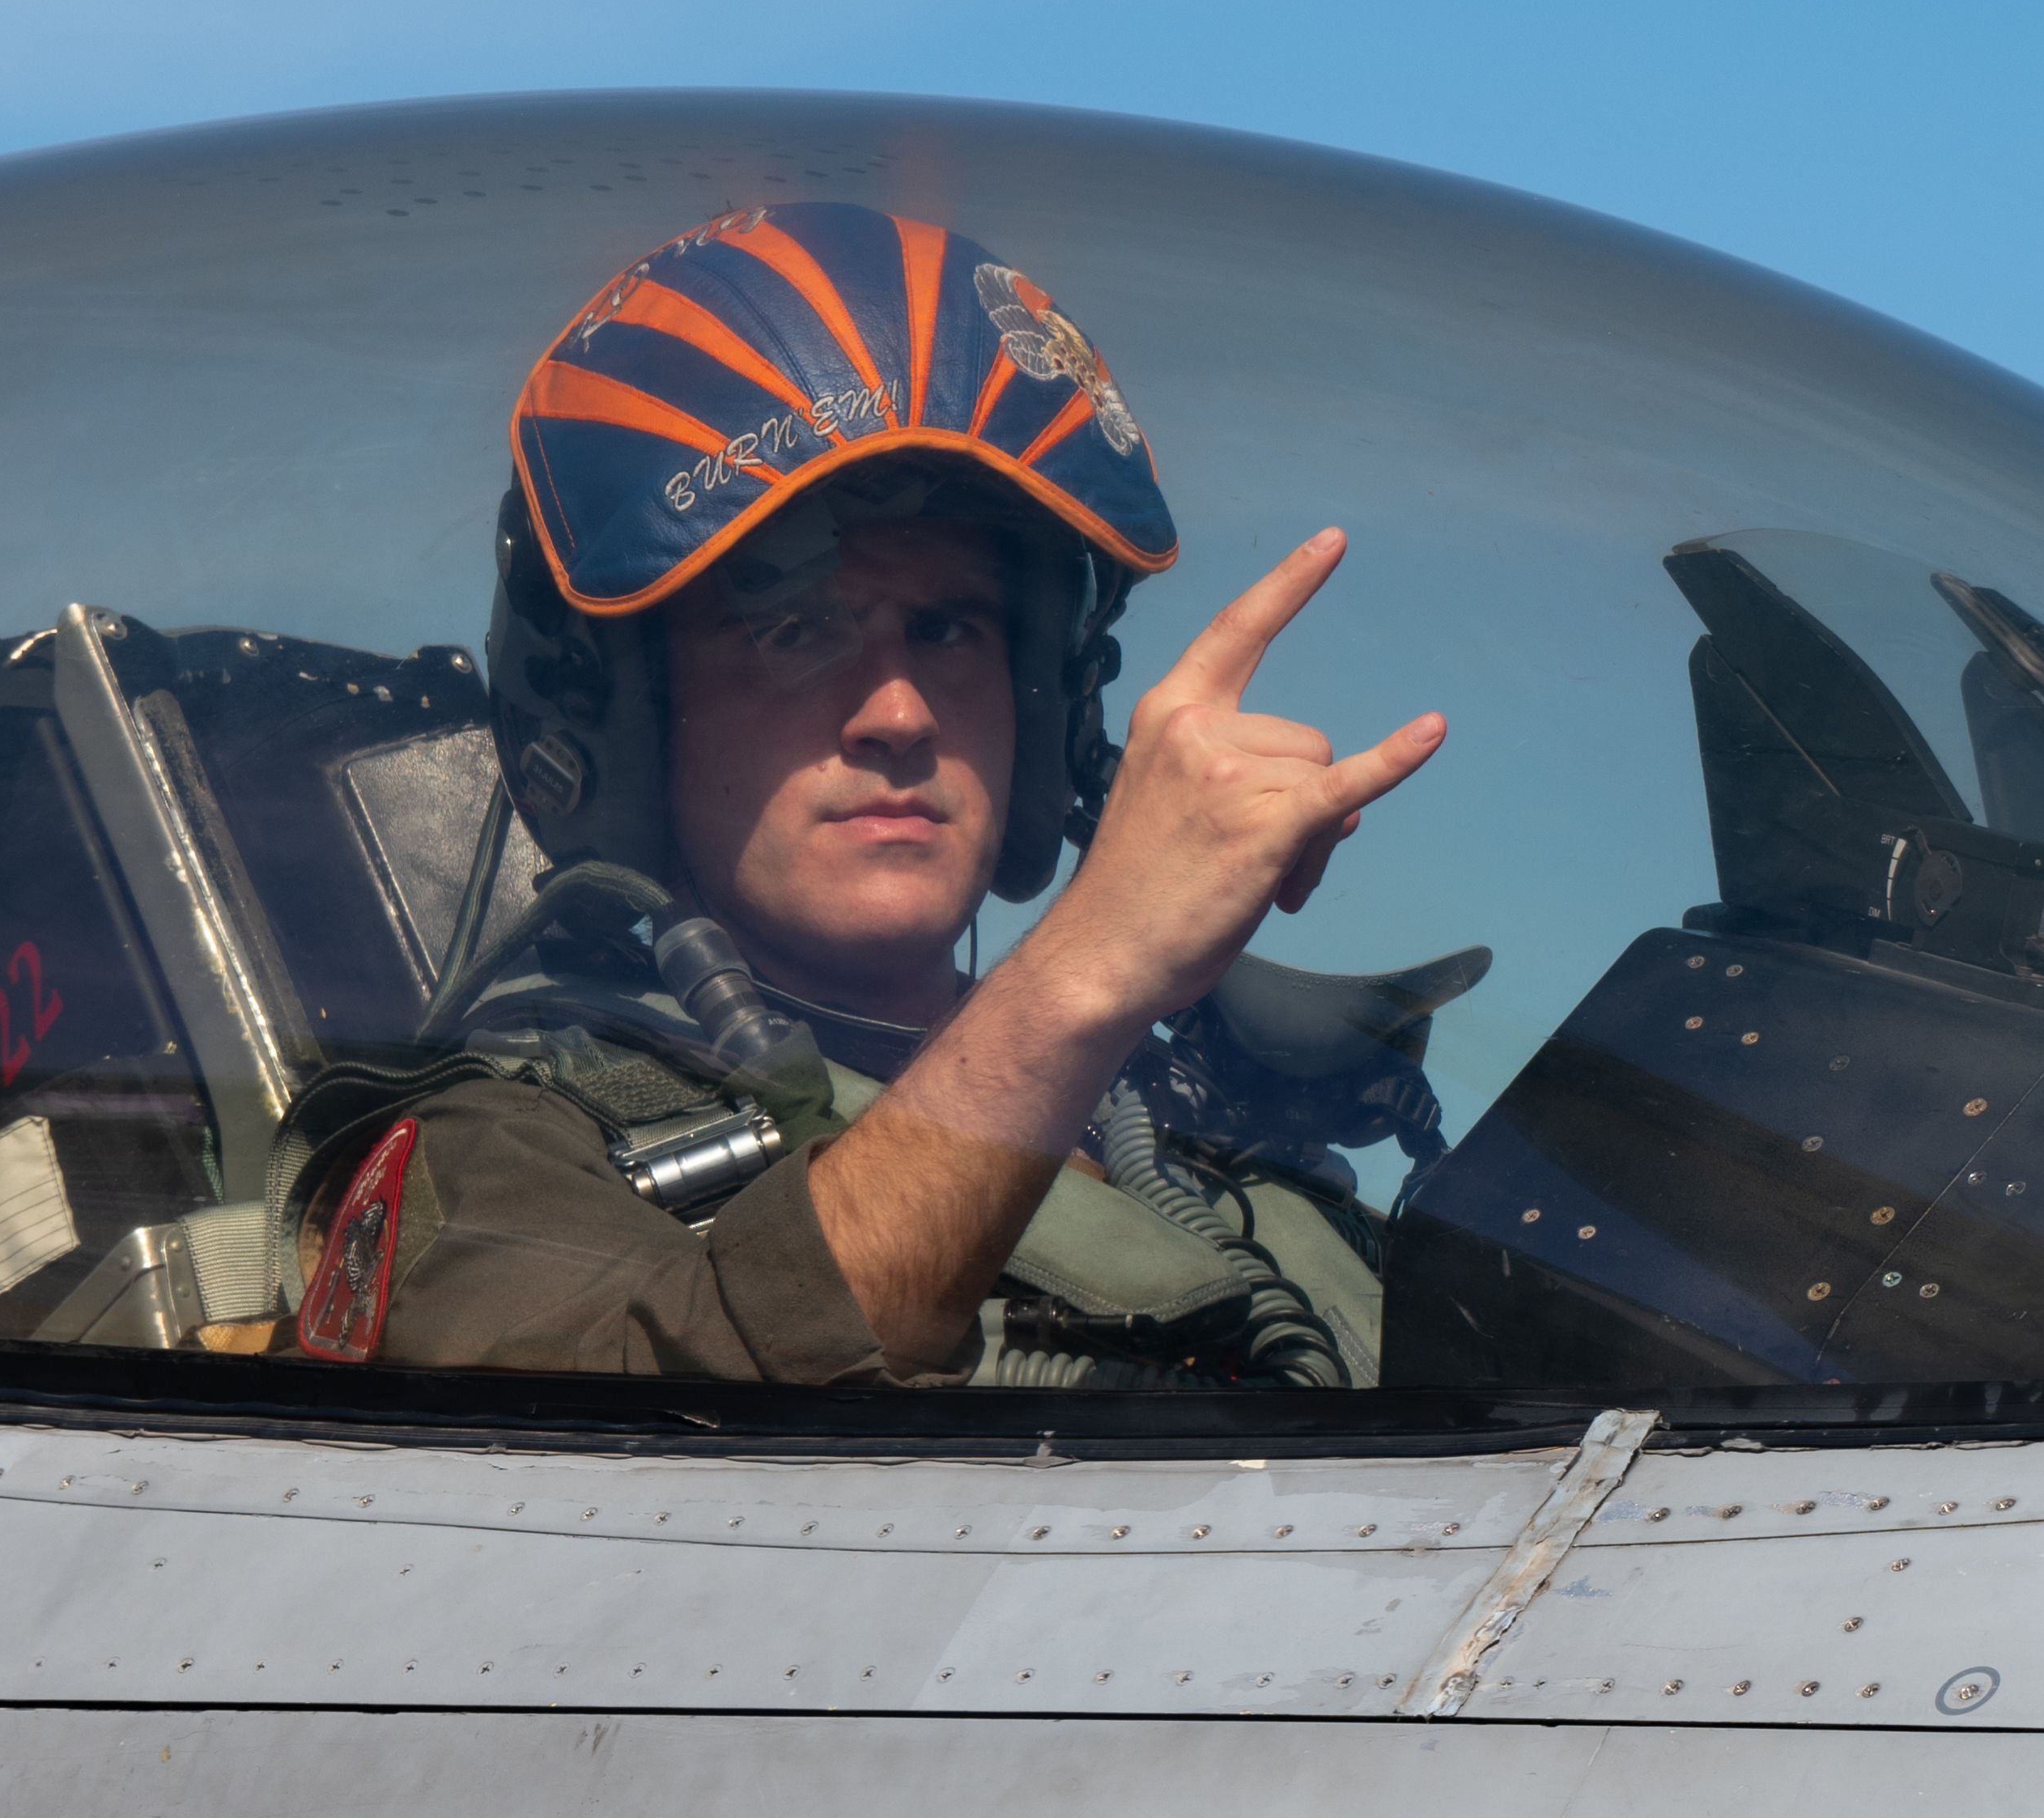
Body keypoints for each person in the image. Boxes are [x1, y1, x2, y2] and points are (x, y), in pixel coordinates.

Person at [270, 202, 1468, 1384]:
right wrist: (1088, 970)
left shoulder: (1191, 1143)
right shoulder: (496, 1158)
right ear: (620, 724)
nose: (896, 712)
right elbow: (643, 1460)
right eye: (794, 632)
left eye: (947, 629)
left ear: (1044, 703)